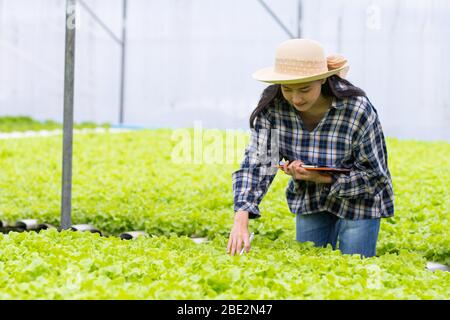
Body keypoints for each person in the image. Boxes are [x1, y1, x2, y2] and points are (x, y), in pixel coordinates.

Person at [227, 39, 394, 258]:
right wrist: (241, 217)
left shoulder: (356, 110)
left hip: (360, 205)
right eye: (287, 89)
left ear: (322, 80)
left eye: (304, 89)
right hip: (310, 200)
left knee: (354, 276)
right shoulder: (274, 109)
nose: (296, 98)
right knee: (310, 273)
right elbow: (257, 164)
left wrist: (322, 178)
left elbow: (375, 176)